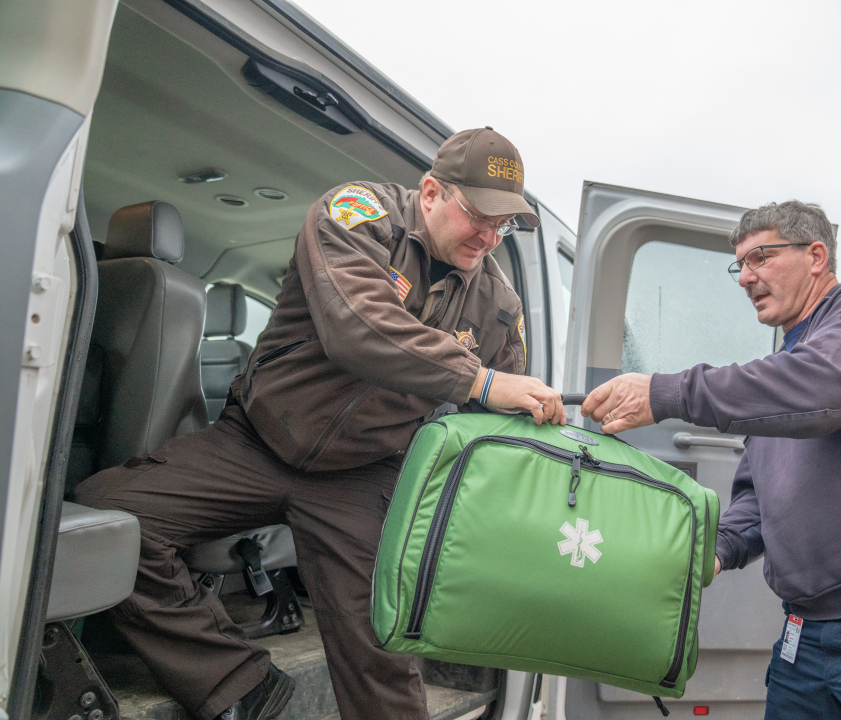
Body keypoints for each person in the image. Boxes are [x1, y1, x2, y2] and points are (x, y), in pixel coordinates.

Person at [75, 127, 566, 720]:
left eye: (504, 225)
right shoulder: (357, 216)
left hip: (363, 474)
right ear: (432, 192)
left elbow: (497, 427)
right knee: (108, 522)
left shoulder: (497, 303)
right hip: (255, 442)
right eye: (478, 216)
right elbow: (357, 323)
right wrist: (481, 380)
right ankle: (237, 684)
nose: (490, 236)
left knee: (378, 651)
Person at [581, 201, 841, 719]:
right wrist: (707, 551)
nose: (745, 277)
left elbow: (819, 388)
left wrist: (665, 392)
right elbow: (757, 503)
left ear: (816, 256)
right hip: (809, 635)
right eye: (740, 265)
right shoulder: (780, 384)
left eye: (760, 257)